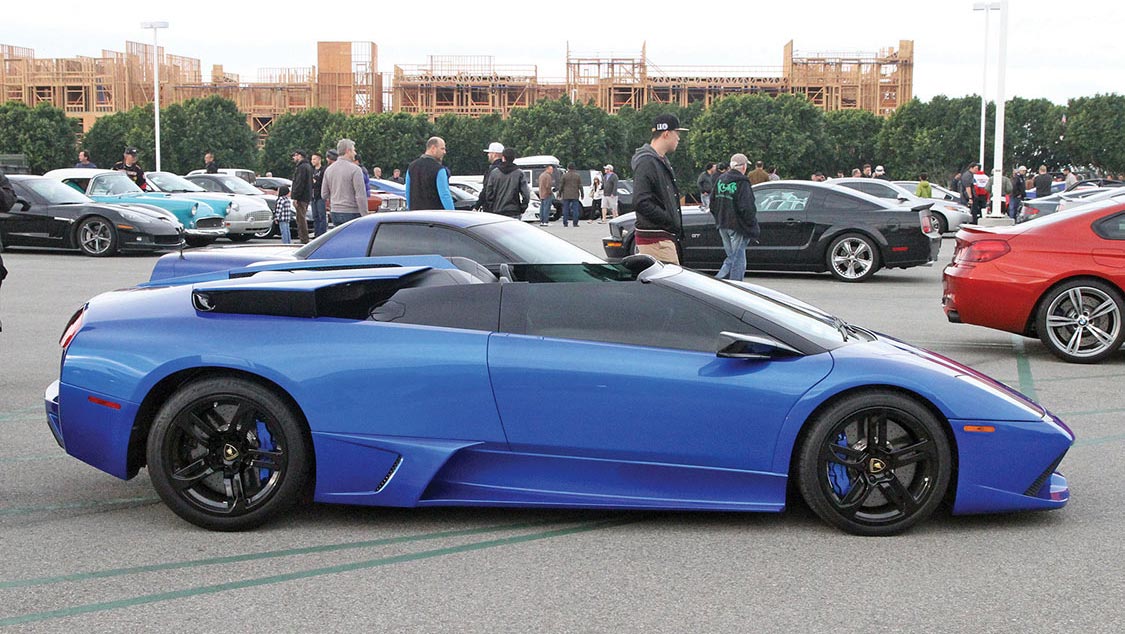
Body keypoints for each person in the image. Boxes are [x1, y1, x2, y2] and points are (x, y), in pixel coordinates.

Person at [631, 113, 687, 264]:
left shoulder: (659, 160)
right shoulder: (647, 162)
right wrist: (668, 219)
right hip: (656, 241)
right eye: (677, 133)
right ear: (666, 133)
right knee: (671, 278)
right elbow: (640, 201)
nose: (678, 138)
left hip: (662, 239)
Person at [710, 153, 759, 281]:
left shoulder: (720, 179)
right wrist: (751, 224)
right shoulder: (742, 182)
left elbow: (712, 203)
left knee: (732, 256)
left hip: (722, 224)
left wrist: (718, 218)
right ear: (743, 167)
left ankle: (722, 282)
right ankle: (731, 283)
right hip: (737, 226)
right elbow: (747, 207)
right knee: (737, 259)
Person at [320, 139, 368, 226]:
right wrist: (365, 215)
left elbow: (324, 194)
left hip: (335, 211)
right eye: (353, 150)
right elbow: (360, 195)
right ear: (348, 151)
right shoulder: (355, 169)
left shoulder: (329, 170)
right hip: (351, 212)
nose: (355, 153)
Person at [405, 137, 454, 210]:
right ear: (433, 148)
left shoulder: (411, 167)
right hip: (435, 215)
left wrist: (410, 210)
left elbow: (408, 193)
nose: (444, 152)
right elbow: (445, 195)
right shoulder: (439, 169)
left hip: (416, 214)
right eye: (442, 149)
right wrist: (452, 213)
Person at [482, 148, 529, 219]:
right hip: (514, 210)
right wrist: (522, 207)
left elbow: (489, 192)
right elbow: (526, 194)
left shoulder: (494, 173)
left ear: (503, 157)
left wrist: (492, 205)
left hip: (497, 210)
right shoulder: (519, 173)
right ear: (514, 158)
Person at [289, 149, 313, 244]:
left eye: (295, 155)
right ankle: (304, 238)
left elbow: (299, 183)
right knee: (301, 218)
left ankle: (304, 239)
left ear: (299, 156)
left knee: (301, 219)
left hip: (301, 198)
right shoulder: (308, 166)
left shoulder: (301, 167)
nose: (293, 157)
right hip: (305, 197)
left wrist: (295, 197)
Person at [478, 142, 505, 212]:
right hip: (506, 208)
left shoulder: (492, 170)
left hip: (492, 208)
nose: (488, 155)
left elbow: (486, 189)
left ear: (494, 154)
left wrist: (477, 206)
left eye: (489, 153)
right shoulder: (510, 170)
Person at [310, 152, 328, 237]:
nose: (312, 161)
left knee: (322, 216)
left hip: (320, 196)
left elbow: (323, 182)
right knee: (315, 217)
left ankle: (322, 235)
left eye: (314, 159)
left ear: (319, 160)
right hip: (313, 196)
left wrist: (316, 181)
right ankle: (317, 234)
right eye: (312, 159)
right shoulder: (312, 171)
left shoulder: (323, 170)